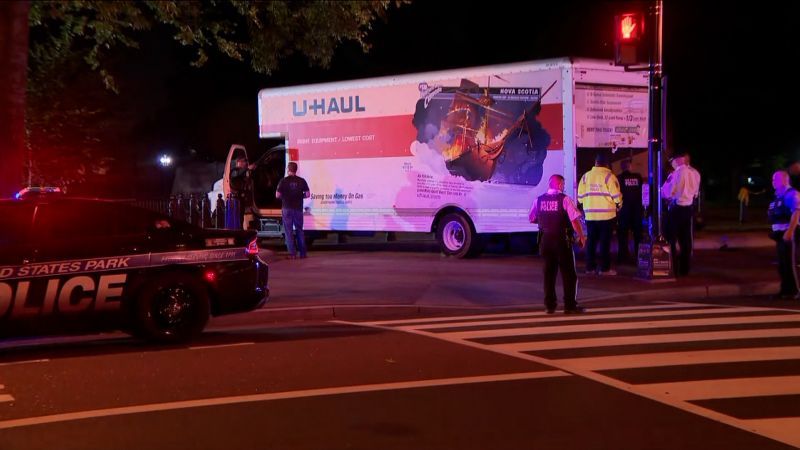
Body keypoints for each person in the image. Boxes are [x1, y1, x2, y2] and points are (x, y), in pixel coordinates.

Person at [530, 174, 587, 314]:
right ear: (560, 185)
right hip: (562, 240)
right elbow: (574, 220)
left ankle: (549, 306)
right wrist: (581, 236)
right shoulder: (565, 199)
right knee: (569, 274)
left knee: (549, 274)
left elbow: (531, 218)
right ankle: (569, 306)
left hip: (545, 240)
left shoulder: (539, 200)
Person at [577, 153, 622, 275]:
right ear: (607, 164)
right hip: (607, 216)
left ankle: (590, 268)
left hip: (590, 216)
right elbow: (617, 197)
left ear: (595, 163)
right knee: (605, 242)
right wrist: (619, 205)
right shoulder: (609, 176)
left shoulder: (585, 177)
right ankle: (604, 269)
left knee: (591, 242)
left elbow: (580, 198)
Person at [660, 151, 701, 276]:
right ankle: (685, 268)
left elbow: (666, 192)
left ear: (677, 160)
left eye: (672, 161)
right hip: (688, 209)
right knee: (686, 240)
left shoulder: (675, 174)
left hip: (676, 209)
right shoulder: (695, 173)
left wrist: (665, 189)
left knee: (670, 238)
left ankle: (674, 268)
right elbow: (695, 193)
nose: (671, 164)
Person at [768, 170, 800, 299]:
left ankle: (795, 291)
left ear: (784, 179)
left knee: (790, 263)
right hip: (780, 234)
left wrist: (790, 231)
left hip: (789, 233)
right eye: (772, 180)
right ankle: (785, 290)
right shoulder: (778, 195)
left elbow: (797, 212)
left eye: (775, 179)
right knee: (782, 264)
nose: (773, 182)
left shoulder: (791, 194)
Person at [276, 161, 311, 259]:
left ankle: (292, 254)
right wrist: (300, 196)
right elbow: (308, 194)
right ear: (296, 170)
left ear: (288, 169)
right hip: (298, 209)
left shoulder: (283, 181)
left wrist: (285, 197)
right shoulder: (302, 180)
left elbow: (277, 195)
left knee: (289, 231)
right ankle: (303, 254)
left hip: (287, 208)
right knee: (299, 230)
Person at [617, 159, 644, 264]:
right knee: (638, 235)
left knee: (623, 235)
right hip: (637, 210)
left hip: (624, 211)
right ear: (630, 167)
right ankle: (640, 256)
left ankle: (623, 257)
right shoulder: (638, 177)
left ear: (622, 167)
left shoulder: (619, 178)